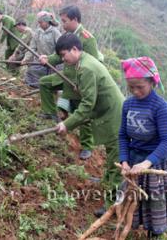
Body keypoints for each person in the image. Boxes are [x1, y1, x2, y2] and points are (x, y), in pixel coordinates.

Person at [54, 33, 124, 215]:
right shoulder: (82, 62)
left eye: (64, 55)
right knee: (112, 154)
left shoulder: (86, 68)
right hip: (107, 111)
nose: (63, 59)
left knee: (116, 157)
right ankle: (106, 183)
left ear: (75, 49)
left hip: (114, 114)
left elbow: (87, 104)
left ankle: (112, 205)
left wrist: (67, 124)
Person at [119, 57, 167, 238]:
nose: (136, 91)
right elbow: (123, 135)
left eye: (140, 87)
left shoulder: (160, 107)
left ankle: (155, 232)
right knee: (130, 195)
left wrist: (147, 163)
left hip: (156, 162)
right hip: (134, 159)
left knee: (155, 199)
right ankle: (130, 223)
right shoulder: (127, 104)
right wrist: (124, 160)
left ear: (151, 82)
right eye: (132, 87)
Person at [39, 5, 103, 160]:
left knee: (83, 113)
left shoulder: (87, 38)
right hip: (66, 76)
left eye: (65, 21)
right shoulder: (67, 35)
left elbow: (93, 65)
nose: (63, 24)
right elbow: (59, 56)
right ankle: (51, 113)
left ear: (75, 20)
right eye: (61, 21)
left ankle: (87, 146)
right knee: (44, 83)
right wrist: (47, 59)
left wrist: (82, 84)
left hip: (81, 81)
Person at [21, 11, 61, 88]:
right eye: (39, 22)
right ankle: (34, 87)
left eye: (41, 22)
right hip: (40, 60)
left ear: (47, 22)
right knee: (31, 71)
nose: (39, 24)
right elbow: (32, 47)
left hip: (53, 61)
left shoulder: (55, 32)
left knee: (52, 79)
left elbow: (60, 48)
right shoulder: (38, 32)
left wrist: (52, 58)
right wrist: (26, 58)